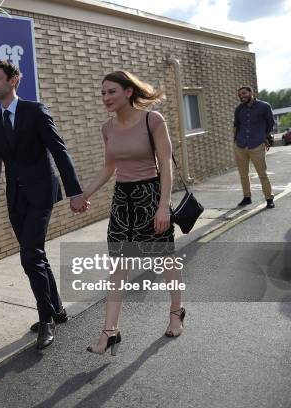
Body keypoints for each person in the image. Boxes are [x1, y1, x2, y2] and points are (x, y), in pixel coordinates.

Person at [0, 60, 88, 350]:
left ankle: (46, 318)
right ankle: (58, 309)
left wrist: (75, 191)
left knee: (29, 255)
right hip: (15, 198)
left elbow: (59, 150)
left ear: (13, 81)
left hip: (41, 193)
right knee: (36, 254)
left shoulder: (35, 111)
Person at [80, 71, 185, 356]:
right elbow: (109, 167)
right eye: (102, 93)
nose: (106, 98)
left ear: (128, 92)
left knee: (165, 261)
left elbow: (165, 164)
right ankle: (109, 332)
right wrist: (85, 193)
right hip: (121, 201)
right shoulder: (108, 128)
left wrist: (164, 206)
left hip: (150, 197)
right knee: (117, 267)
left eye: (111, 92)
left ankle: (176, 311)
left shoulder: (153, 120)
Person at [233, 86, 275, 209]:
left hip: (257, 145)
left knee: (262, 174)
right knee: (243, 174)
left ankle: (269, 198)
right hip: (240, 146)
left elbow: (270, 123)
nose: (242, 96)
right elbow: (236, 125)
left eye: (244, 93)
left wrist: (263, 136)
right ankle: (247, 197)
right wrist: (234, 141)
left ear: (251, 92)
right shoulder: (238, 109)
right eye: (239, 95)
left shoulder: (264, 106)